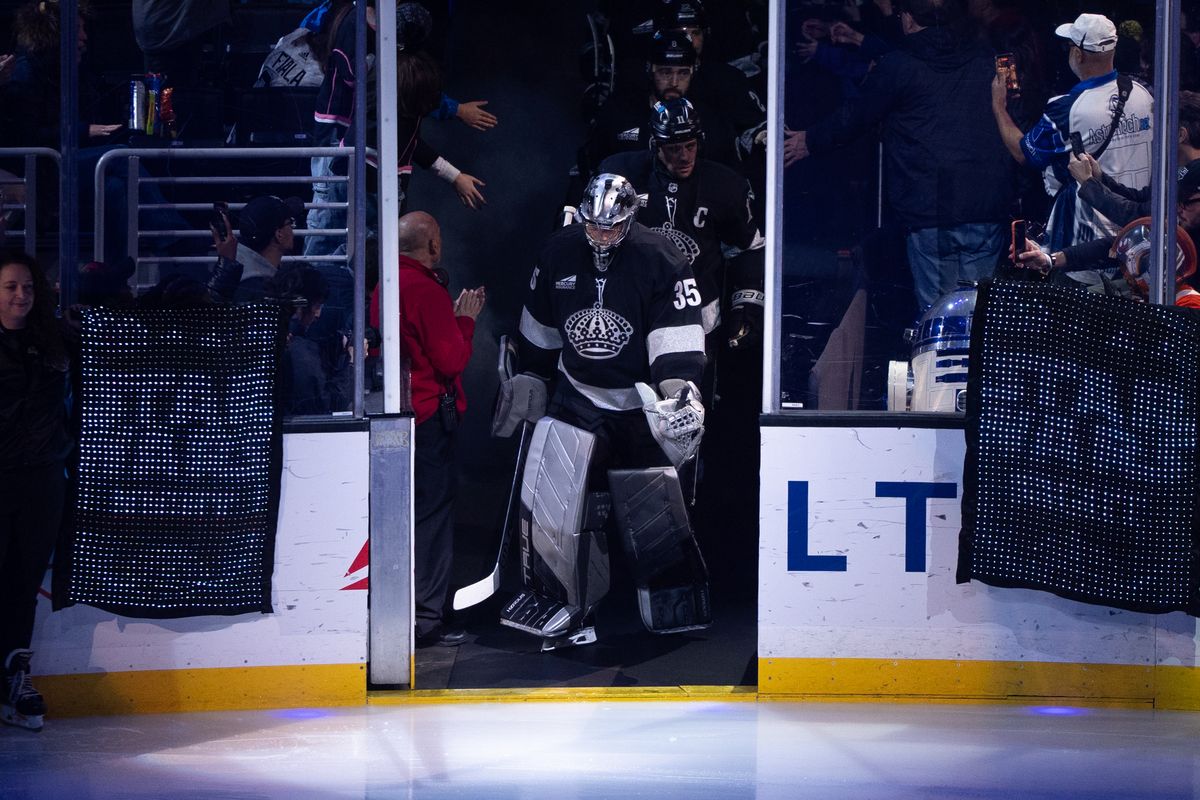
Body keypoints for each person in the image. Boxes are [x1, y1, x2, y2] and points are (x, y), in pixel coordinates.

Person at [496, 173, 710, 649]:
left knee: (650, 504)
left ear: (630, 219)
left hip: (640, 402)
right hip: (579, 395)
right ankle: (562, 600)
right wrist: (531, 373)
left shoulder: (662, 258)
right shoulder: (556, 252)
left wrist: (678, 393)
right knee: (561, 504)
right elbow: (540, 324)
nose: (600, 236)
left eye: (611, 228)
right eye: (593, 226)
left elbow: (677, 339)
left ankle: (671, 593)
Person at [785, 0, 1016, 316]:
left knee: (940, 319)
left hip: (931, 210)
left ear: (908, 20)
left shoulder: (900, 66)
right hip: (983, 208)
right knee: (976, 319)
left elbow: (857, 115)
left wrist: (809, 140)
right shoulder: (984, 61)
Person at [368, 211, 484, 647]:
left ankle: (407, 612)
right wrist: (465, 320)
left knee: (403, 517)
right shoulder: (426, 290)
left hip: (396, 419)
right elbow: (452, 360)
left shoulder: (384, 286)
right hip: (429, 418)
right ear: (433, 246)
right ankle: (427, 618)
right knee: (432, 518)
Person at [990, 13, 1154, 265]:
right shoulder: (1143, 95)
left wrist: (999, 107)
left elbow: (1024, 153)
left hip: (1086, 238)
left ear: (1078, 54)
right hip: (1139, 233)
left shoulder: (1067, 108)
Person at [0, 251, 71, 732]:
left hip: (42, 480)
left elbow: (126, 338)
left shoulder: (55, 339)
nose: (21, 295)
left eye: (27, 286)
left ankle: (13, 676)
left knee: (23, 584)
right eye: (10, 287)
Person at [208, 195, 306, 303]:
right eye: (290, 223)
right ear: (279, 235)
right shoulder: (258, 291)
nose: (293, 230)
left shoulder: (233, 266)